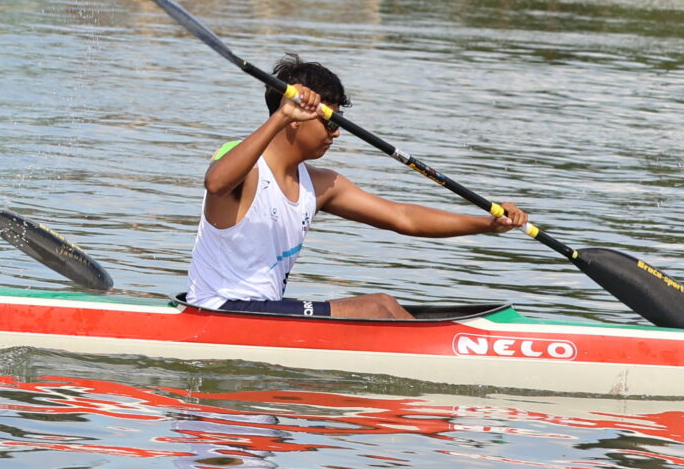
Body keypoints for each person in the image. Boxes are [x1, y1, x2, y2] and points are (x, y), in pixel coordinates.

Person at [187, 55, 526, 319]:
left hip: (263, 312)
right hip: (219, 309)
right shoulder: (242, 164)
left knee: (386, 306)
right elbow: (216, 183)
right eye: (329, 121)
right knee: (377, 307)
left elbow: (402, 216)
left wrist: (487, 224)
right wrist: (281, 116)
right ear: (295, 120)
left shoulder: (320, 184)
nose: (336, 132)